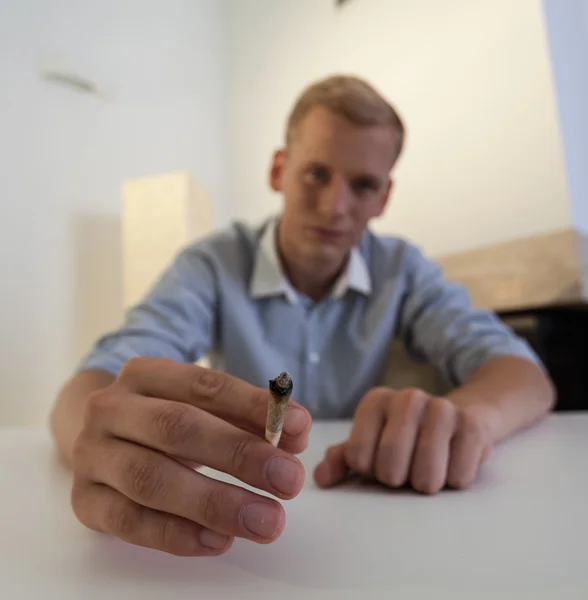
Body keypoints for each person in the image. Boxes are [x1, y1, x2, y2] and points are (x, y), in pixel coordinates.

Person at [49, 74, 555, 558]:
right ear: (277, 170)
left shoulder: (403, 270)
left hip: (368, 521)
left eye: (362, 185)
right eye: (317, 173)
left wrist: (465, 421)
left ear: (384, 196)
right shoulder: (211, 264)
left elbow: (524, 376)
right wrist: (103, 445)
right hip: (237, 521)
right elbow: (95, 384)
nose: (336, 206)